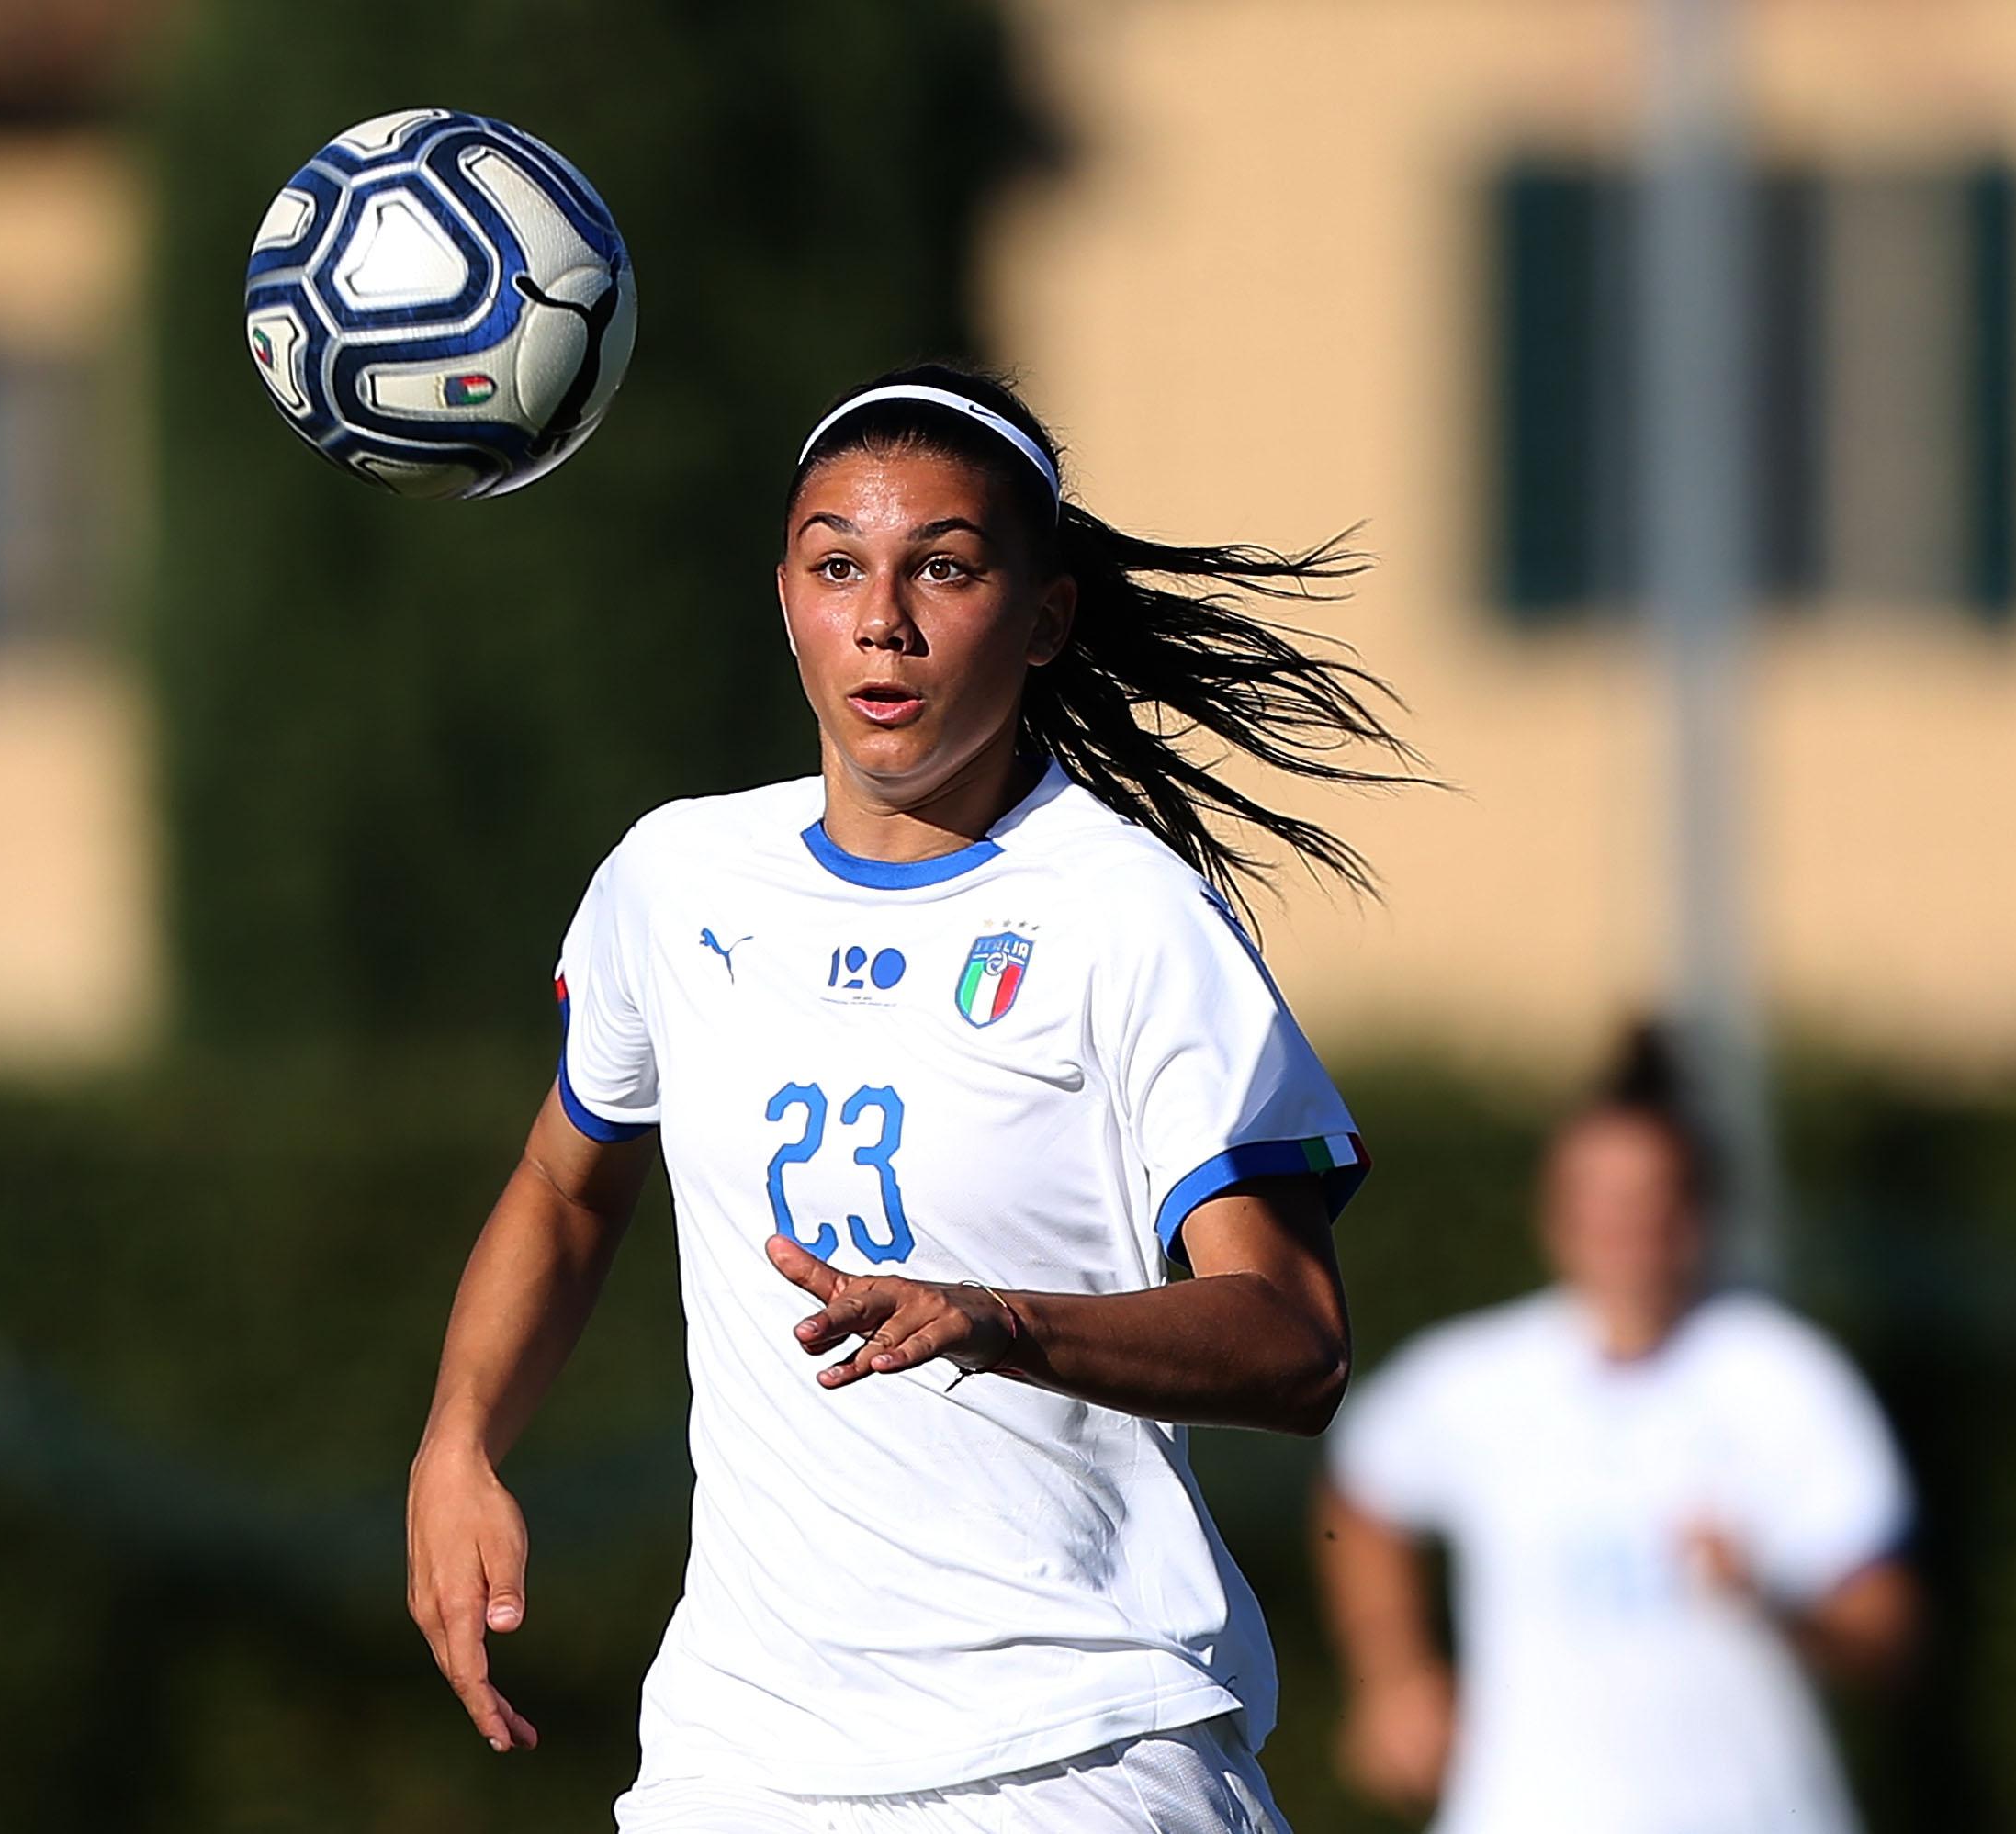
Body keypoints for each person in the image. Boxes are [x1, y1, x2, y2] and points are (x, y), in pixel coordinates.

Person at [404, 363, 1414, 1831]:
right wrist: (458, 1438)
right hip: (741, 1767)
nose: (883, 617)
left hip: (1073, 1754)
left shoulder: (1131, 915)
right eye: (838, 566)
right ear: (786, 597)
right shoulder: (673, 881)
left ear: (1047, 614)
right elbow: (567, 1186)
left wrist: (1005, 1322)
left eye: (944, 566)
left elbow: (1296, 1340)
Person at [1314, 1026, 1918, 1834]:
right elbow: (1363, 1495)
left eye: (1647, 1198)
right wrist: (1394, 1672)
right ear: (1555, 1209)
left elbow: (1887, 1625)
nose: (1621, 1226)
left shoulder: (1783, 1379)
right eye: (1597, 1196)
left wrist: (1770, 1598)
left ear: (1695, 1214)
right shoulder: (1475, 1378)